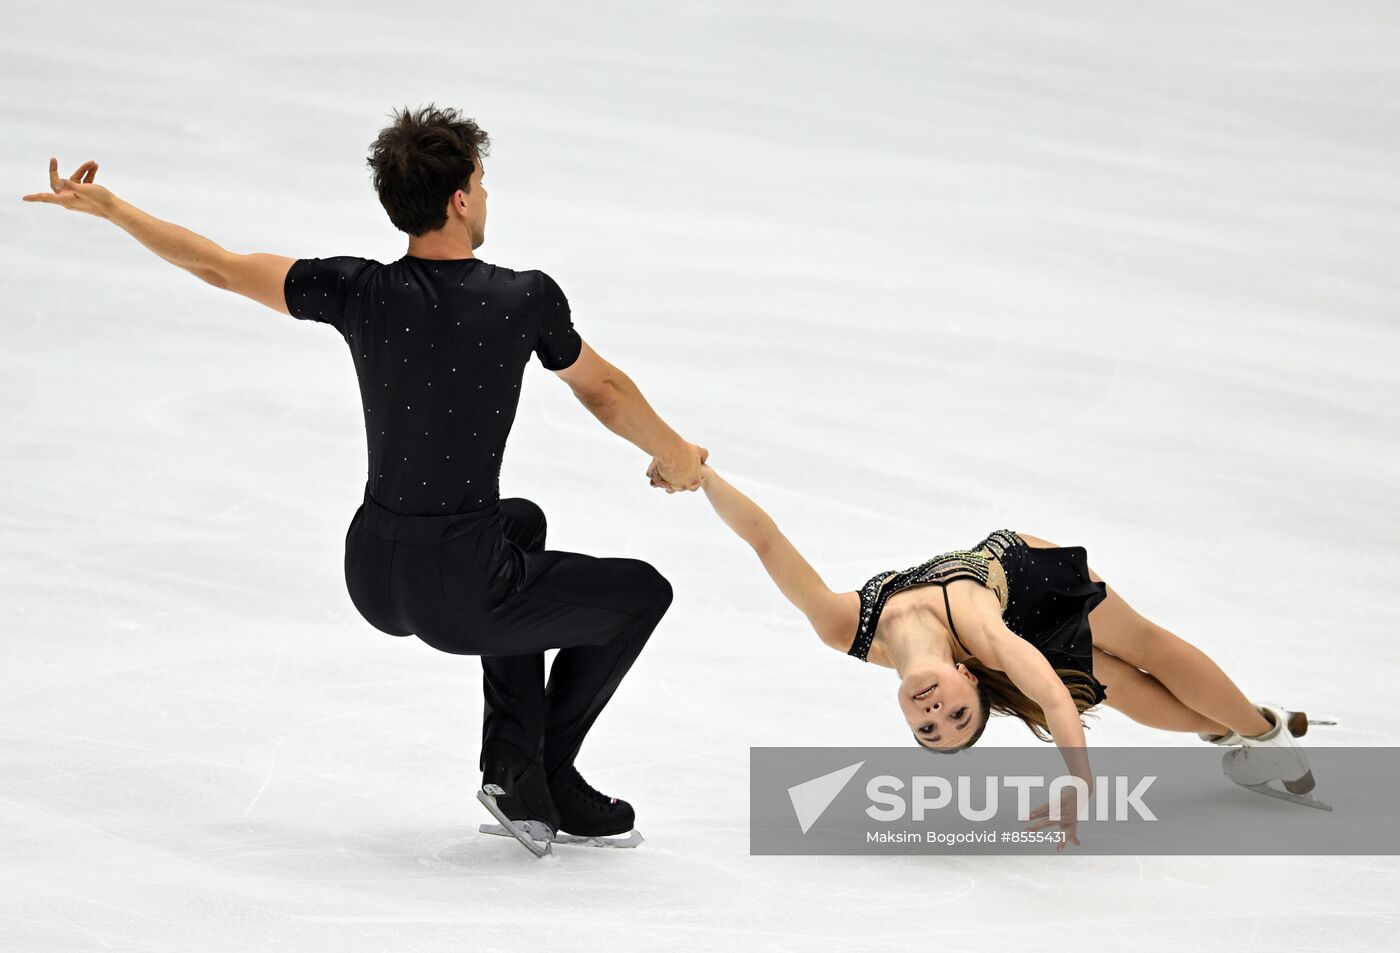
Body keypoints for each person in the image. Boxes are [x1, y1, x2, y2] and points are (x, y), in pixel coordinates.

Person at [23, 104, 707, 844]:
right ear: (458, 200)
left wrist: (113, 207)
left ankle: (514, 770)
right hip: (459, 589)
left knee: (522, 522)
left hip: (374, 571)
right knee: (643, 592)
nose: (486, 196)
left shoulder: (359, 290)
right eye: (481, 182)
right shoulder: (522, 298)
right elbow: (601, 388)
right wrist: (674, 456)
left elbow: (218, 265)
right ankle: (551, 773)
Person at [664, 461, 1322, 845]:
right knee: (1118, 675)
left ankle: (1251, 728)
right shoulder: (982, 634)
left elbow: (767, 542)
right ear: (968, 676)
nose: (934, 714)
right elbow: (1052, 694)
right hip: (1016, 591)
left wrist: (701, 474)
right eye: (955, 719)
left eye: (926, 727)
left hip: (1020, 575)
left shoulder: (843, 626)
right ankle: (1250, 727)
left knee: (1136, 650)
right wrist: (1080, 781)